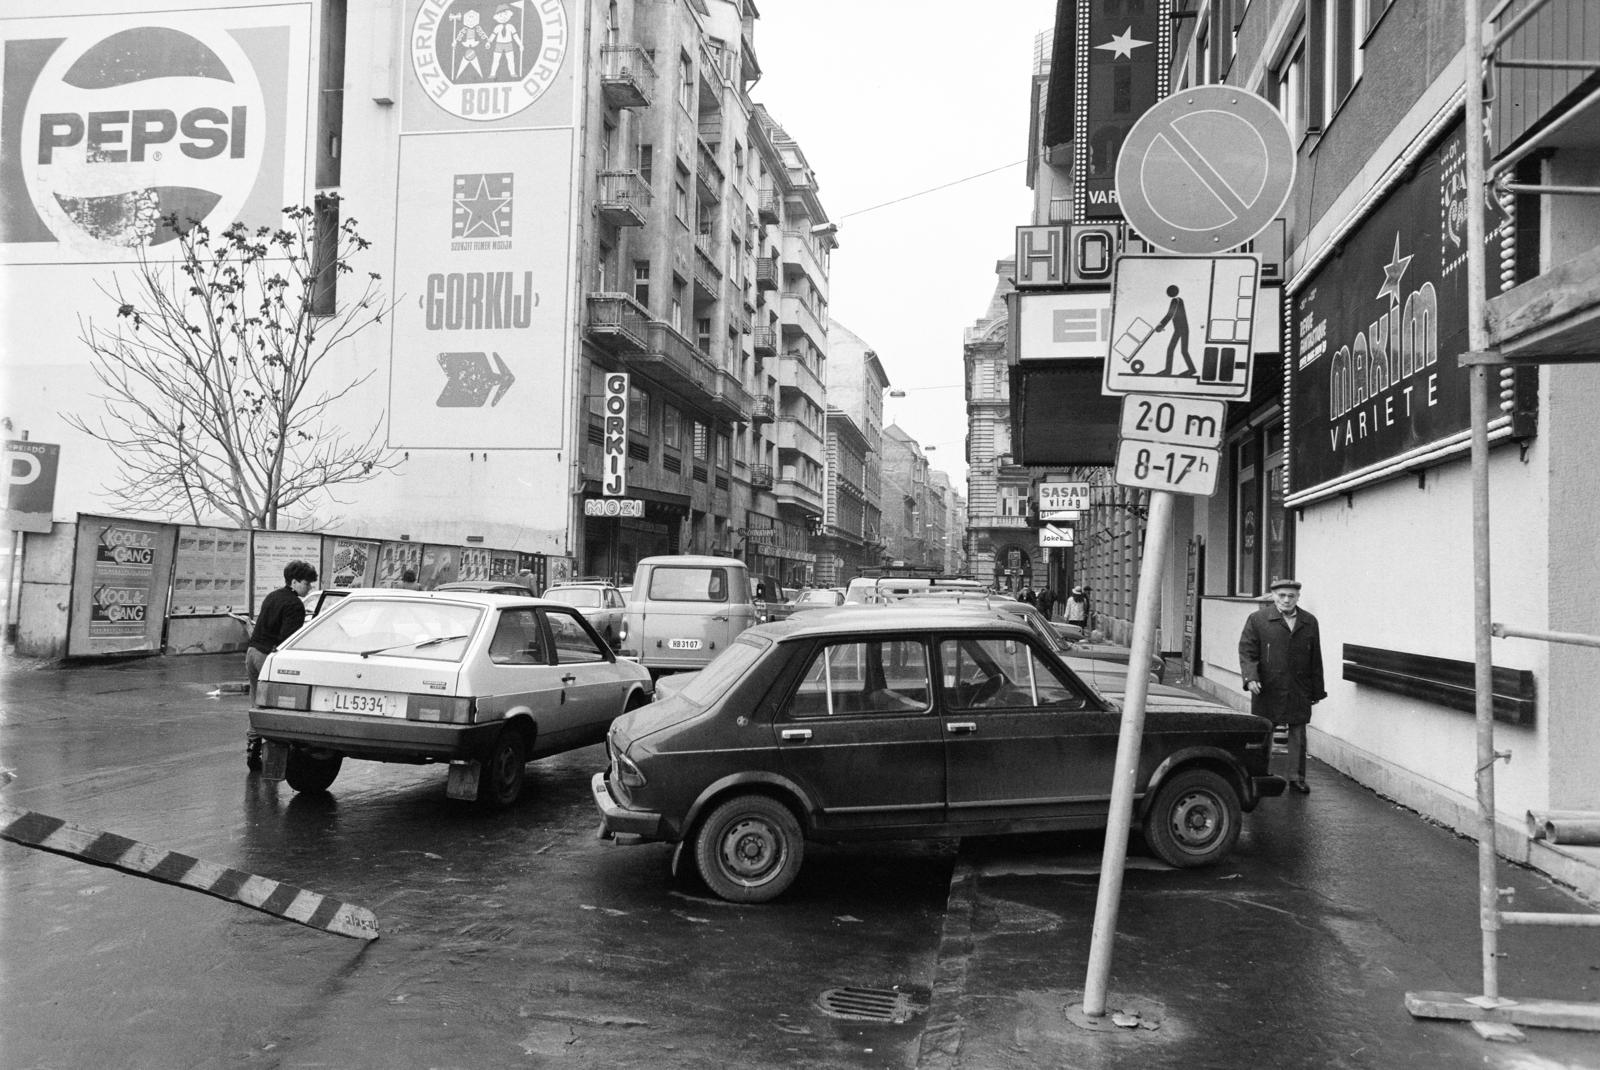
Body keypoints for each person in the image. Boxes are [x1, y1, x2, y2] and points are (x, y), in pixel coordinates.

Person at [1238, 577, 1326, 794]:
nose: (1286, 600)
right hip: (1268, 685)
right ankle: (1258, 774)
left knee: (1298, 731)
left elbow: (1315, 657)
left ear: (1298, 597)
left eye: (1291, 596)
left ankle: (1296, 778)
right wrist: (1251, 678)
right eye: (1282, 596)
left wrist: (1316, 689)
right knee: (1265, 730)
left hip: (1299, 686)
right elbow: (1247, 651)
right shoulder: (1258, 619)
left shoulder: (1309, 621)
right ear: (1273, 596)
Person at [245, 560, 318, 769]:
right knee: (275, 706)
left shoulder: (272, 596)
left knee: (256, 702)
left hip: (252, 653)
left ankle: (253, 746)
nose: (310, 587)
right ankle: (270, 755)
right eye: (307, 583)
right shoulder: (295, 605)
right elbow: (288, 639)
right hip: (268, 657)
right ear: (294, 582)